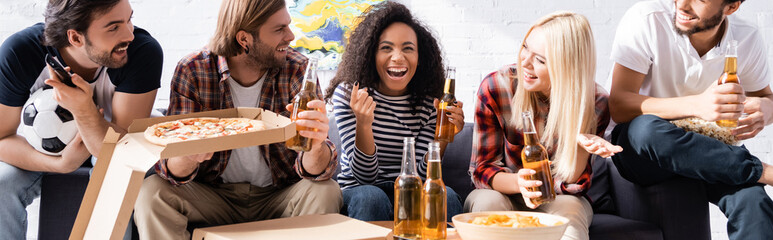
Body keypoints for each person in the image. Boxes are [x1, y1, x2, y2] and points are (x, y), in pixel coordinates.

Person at [133, 0, 341, 239]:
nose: (291, 36)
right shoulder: (193, 70)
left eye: (288, 26)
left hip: (279, 196)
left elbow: (315, 172)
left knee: (326, 191)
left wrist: (316, 146)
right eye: (279, 29)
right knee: (151, 192)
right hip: (213, 195)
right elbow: (171, 172)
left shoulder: (299, 70)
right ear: (244, 39)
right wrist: (188, 154)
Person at [607, 0, 773, 238]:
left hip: (705, 148)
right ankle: (762, 171)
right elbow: (619, 105)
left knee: (753, 204)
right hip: (644, 150)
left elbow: (766, 97)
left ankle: (751, 172)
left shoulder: (746, 38)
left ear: (731, 7)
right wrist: (698, 104)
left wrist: (766, 108)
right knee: (646, 129)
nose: (682, 4)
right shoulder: (647, 19)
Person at [0, 0, 162, 238]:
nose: (129, 34)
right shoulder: (20, 52)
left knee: (113, 178)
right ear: (75, 38)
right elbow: (2, 138)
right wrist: (61, 164)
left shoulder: (141, 52)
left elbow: (119, 155)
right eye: (114, 27)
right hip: (48, 151)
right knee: (2, 183)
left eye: (130, 20)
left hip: (114, 147)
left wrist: (84, 110)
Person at [465, 12, 621, 240]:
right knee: (488, 202)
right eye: (525, 48)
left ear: (566, 67)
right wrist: (521, 183)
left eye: (540, 60)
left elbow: (572, 184)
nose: (525, 62)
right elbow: (482, 169)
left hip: (556, 197)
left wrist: (579, 144)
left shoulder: (595, 101)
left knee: (571, 209)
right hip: (502, 191)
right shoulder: (496, 87)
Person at [323, 1, 464, 222]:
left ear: (420, 56)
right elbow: (364, 176)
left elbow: (424, 175)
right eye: (386, 48)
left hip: (412, 186)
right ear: (371, 54)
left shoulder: (430, 101)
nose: (398, 57)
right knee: (372, 198)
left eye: (408, 48)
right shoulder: (351, 94)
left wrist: (443, 136)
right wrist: (363, 124)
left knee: (447, 197)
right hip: (361, 190)